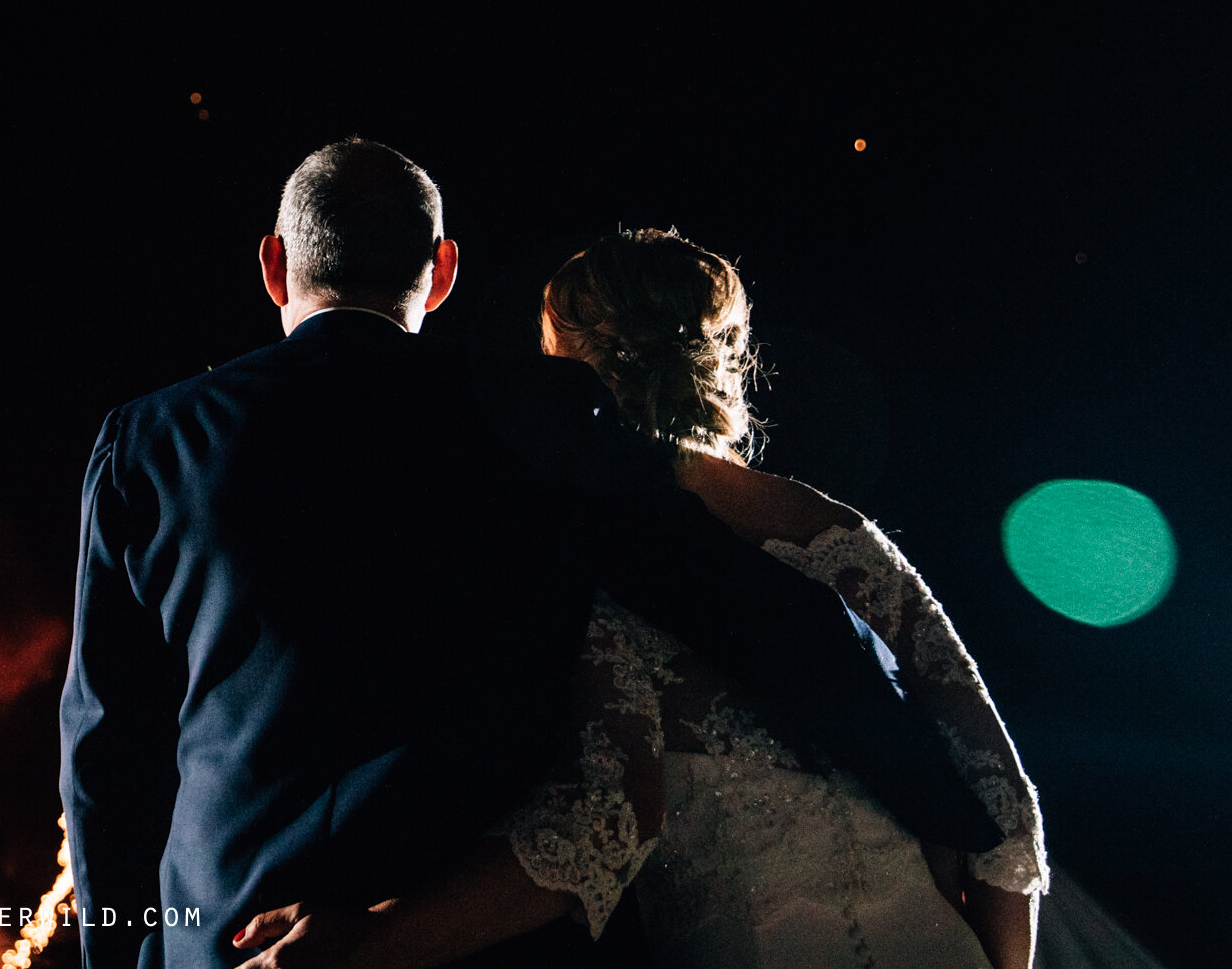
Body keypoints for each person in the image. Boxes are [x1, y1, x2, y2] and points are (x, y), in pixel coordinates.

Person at [61, 142, 999, 969]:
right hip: (471, 934)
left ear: (274, 265)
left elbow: (105, 748)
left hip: (224, 939)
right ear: (442, 271)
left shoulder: (144, 441)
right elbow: (747, 600)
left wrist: (126, 952)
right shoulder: (532, 420)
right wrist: (941, 800)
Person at [231, 231, 1048, 969]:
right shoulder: (843, 536)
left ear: (567, 374)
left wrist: (372, 939)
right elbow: (1005, 809)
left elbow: (603, 822)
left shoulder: (595, 550)